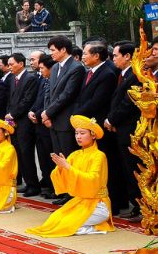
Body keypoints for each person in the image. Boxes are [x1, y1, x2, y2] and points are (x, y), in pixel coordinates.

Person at [27, 115, 116, 237]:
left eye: (82, 133)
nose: (78, 137)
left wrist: (68, 167)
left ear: (93, 135)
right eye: (76, 133)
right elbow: (60, 177)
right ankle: (92, 226)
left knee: (68, 225)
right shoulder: (75, 155)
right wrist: (60, 167)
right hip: (80, 201)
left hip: (98, 205)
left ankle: (98, 227)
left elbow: (93, 179)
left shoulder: (99, 156)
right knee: (55, 219)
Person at [42, 35, 84, 204]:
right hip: (53, 120)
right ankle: (65, 191)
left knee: (68, 157)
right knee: (59, 158)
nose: (50, 53)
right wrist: (46, 113)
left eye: (53, 50)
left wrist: (49, 113)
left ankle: (73, 193)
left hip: (66, 120)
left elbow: (67, 95)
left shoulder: (76, 68)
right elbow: (49, 93)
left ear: (63, 50)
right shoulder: (56, 68)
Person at [104, 41, 141, 220]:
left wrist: (111, 119)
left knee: (134, 168)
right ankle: (136, 204)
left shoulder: (136, 75)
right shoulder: (123, 75)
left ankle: (141, 206)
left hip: (130, 129)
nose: (113, 59)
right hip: (120, 129)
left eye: (116, 55)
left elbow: (128, 104)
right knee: (126, 168)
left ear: (127, 56)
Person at [6, 53, 40, 196]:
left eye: (12, 64)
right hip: (14, 122)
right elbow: (10, 100)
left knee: (26, 153)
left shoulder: (30, 78)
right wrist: (9, 115)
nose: (9, 67)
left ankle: (34, 185)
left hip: (24, 122)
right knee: (19, 153)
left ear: (21, 64)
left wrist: (13, 114)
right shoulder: (13, 79)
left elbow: (27, 100)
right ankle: (27, 182)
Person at [29, 54, 57, 199]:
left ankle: (56, 188)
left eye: (42, 68)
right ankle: (48, 185)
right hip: (39, 121)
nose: (40, 71)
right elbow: (39, 99)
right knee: (43, 158)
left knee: (51, 157)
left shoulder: (54, 81)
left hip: (48, 122)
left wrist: (41, 114)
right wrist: (33, 111)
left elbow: (52, 101)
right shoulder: (43, 80)